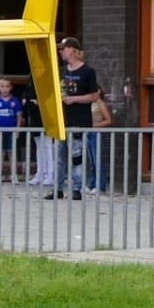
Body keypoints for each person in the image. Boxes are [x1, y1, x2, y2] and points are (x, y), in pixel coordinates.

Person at [45, 36, 99, 201]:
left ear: (74, 50)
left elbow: (94, 96)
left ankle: (76, 188)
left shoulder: (88, 72)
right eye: (61, 49)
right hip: (62, 120)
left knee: (77, 156)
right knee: (58, 155)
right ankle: (58, 188)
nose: (62, 51)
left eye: (65, 48)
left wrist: (74, 99)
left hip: (79, 120)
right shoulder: (61, 71)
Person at [0, 78, 24, 185]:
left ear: (11, 87)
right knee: (0, 153)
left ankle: (14, 176)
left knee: (12, 153)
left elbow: (19, 117)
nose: (5, 89)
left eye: (7, 86)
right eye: (2, 86)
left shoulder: (15, 101)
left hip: (11, 132)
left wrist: (17, 130)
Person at [22, 77, 55, 187]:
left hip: (46, 116)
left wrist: (39, 102)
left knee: (48, 145)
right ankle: (40, 172)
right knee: (39, 146)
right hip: (34, 116)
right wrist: (25, 99)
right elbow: (27, 92)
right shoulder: (32, 77)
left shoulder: (48, 77)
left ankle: (50, 174)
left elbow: (51, 96)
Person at [86, 86, 113, 193]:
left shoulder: (100, 103)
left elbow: (108, 120)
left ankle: (100, 186)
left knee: (98, 160)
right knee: (92, 161)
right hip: (88, 132)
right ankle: (91, 183)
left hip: (96, 132)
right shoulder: (89, 103)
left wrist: (95, 125)